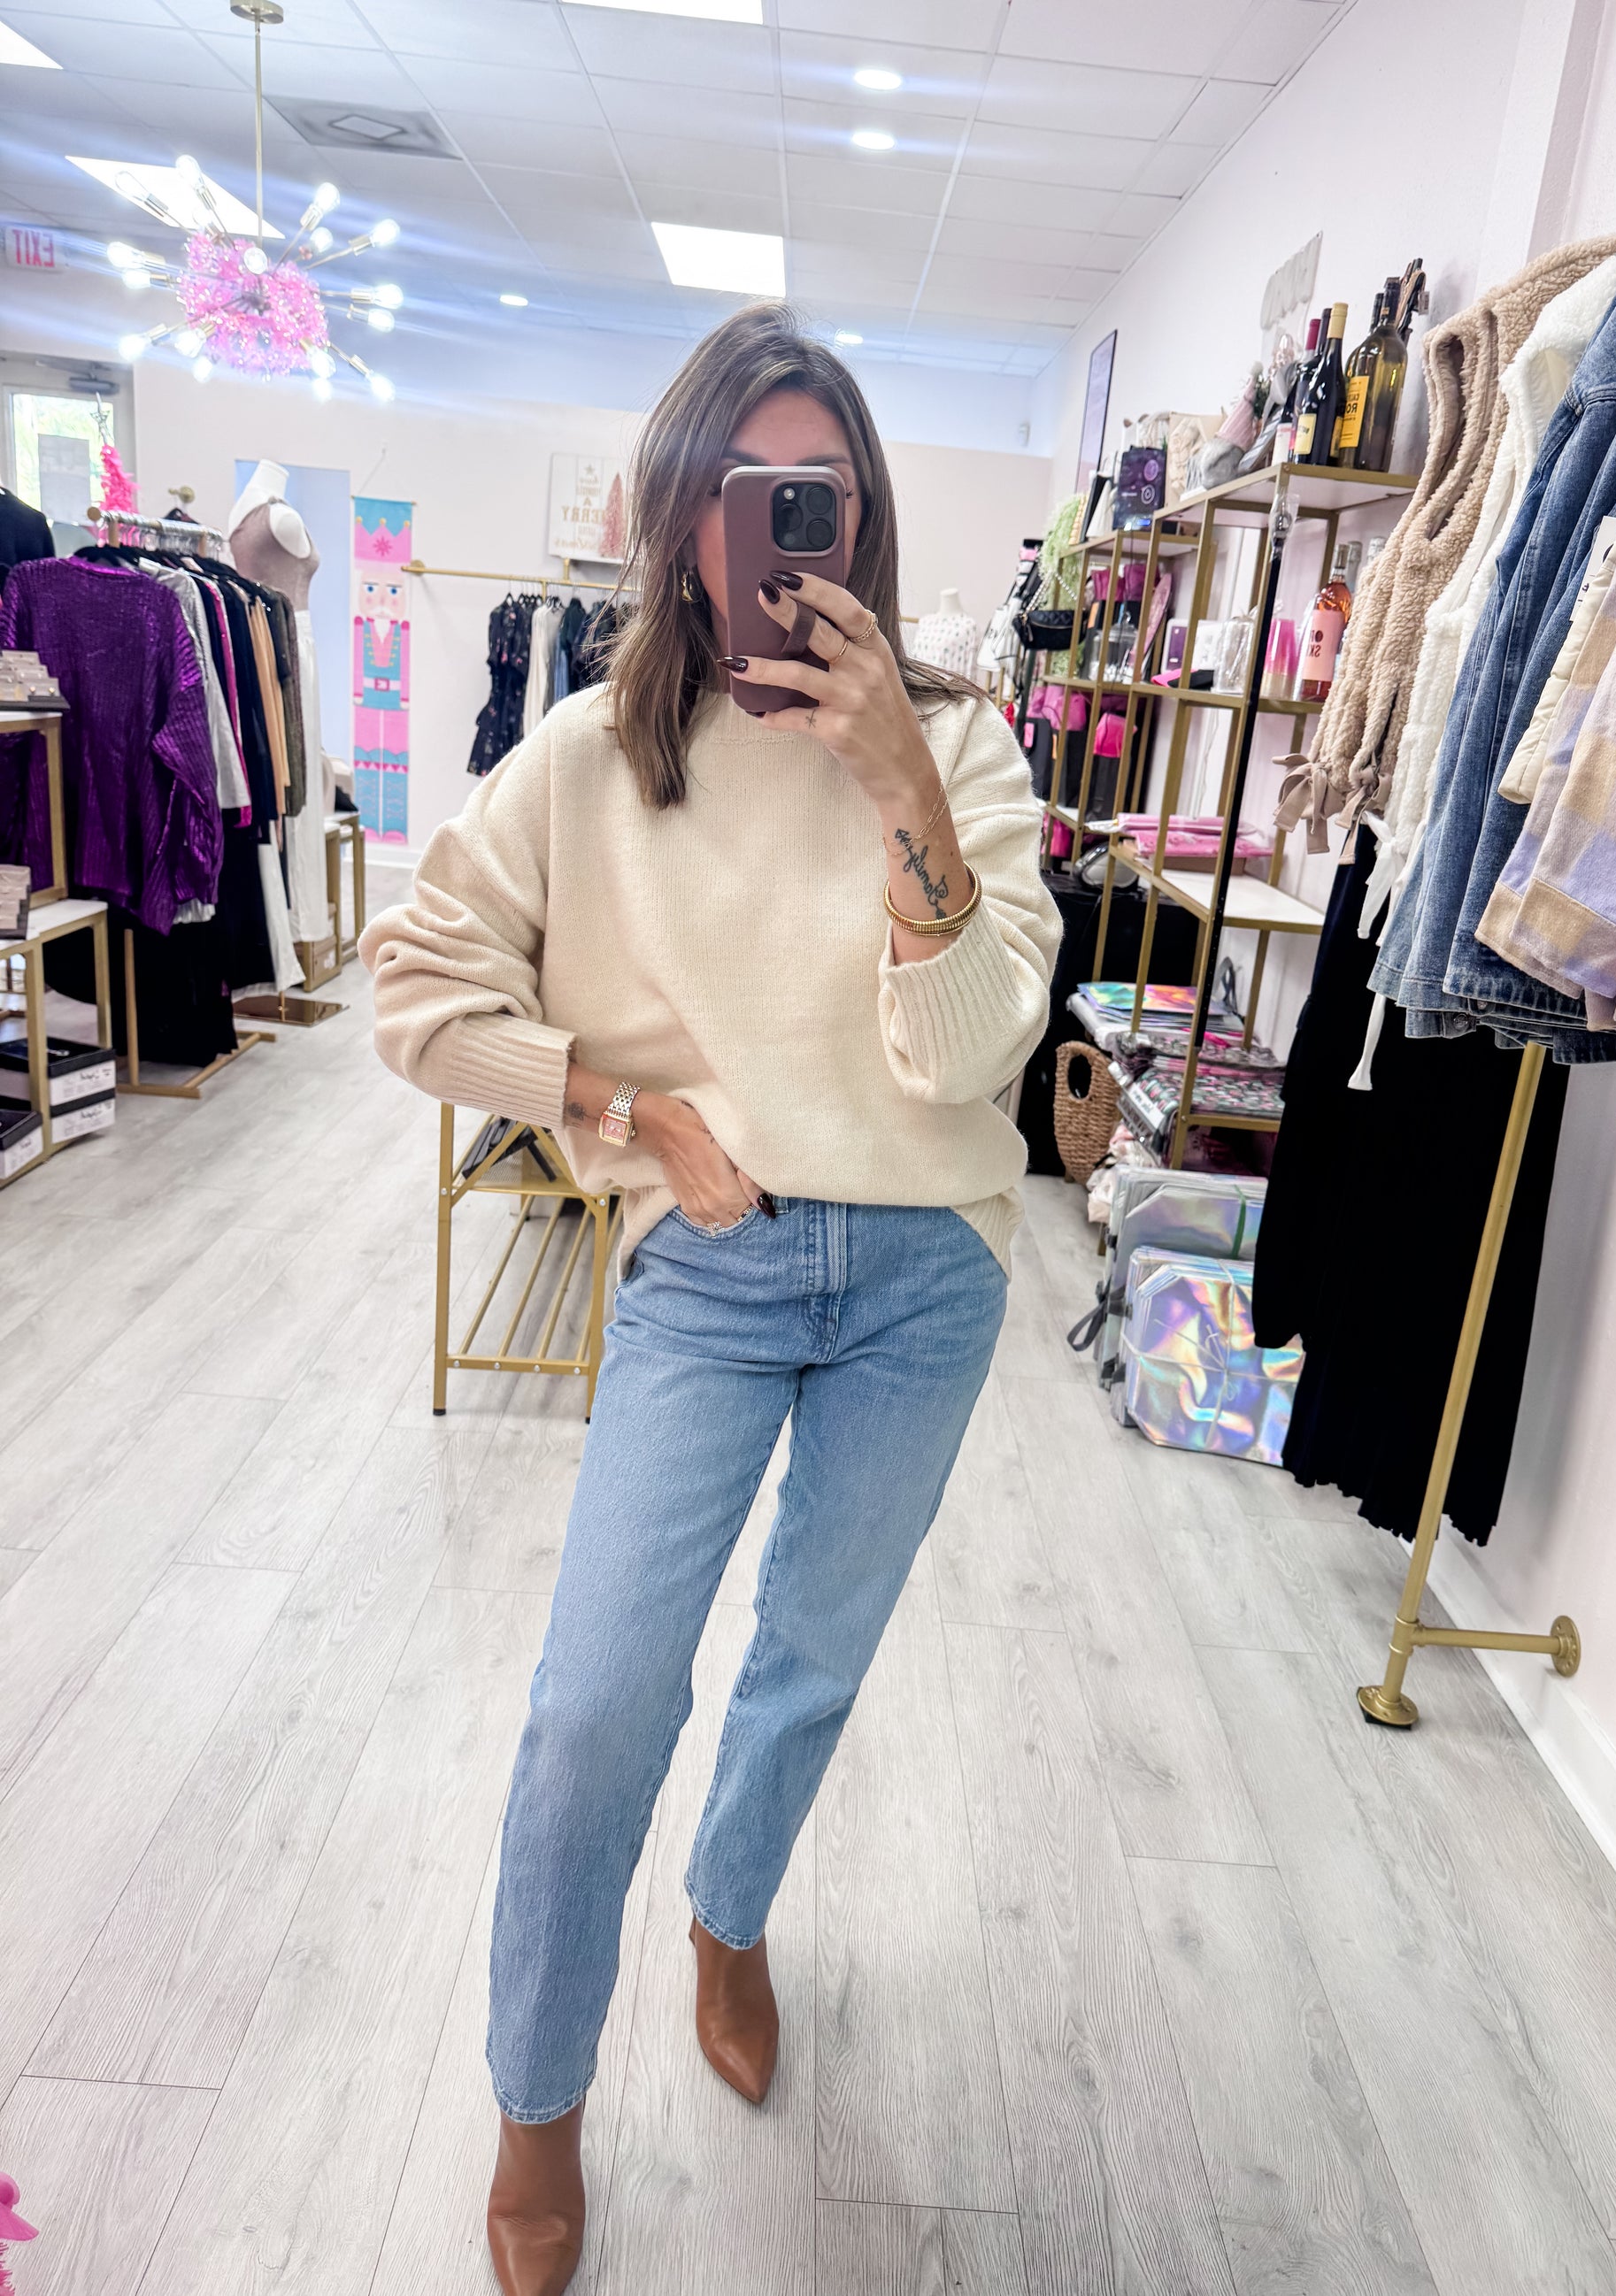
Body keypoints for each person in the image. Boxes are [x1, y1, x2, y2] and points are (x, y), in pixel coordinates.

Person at [359, 300, 1060, 2296]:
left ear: (864, 519)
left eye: (820, 493)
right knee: (596, 1702)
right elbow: (414, 992)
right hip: (712, 1260)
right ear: (682, 517)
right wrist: (622, 1107)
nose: (784, 528)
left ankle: (729, 1917)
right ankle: (536, 2104)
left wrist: (903, 788)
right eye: (750, 491)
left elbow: (971, 1054)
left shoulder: (963, 746)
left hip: (924, 1274)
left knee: (810, 1658)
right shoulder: (590, 758)